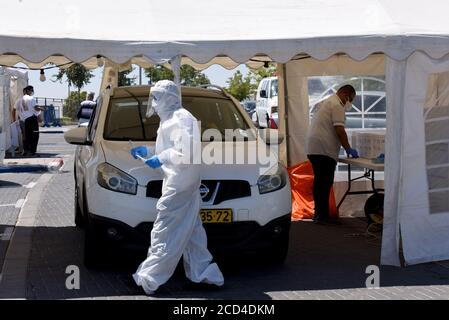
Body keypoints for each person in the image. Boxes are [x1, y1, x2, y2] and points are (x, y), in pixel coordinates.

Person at [130, 80, 224, 295]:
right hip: (182, 184)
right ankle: (204, 275)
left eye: (156, 96)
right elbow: (173, 147)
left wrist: (159, 158)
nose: (153, 102)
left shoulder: (181, 118)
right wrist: (149, 150)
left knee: (164, 230)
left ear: (169, 97)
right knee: (192, 233)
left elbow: (186, 152)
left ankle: (149, 279)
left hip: (179, 186)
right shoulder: (170, 119)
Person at [306, 85, 359, 225]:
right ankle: (322, 217)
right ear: (345, 94)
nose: (350, 103)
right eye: (351, 99)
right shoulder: (337, 105)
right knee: (324, 183)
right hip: (324, 150)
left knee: (319, 183)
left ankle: (319, 214)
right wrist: (348, 148)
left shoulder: (327, 102)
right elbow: (340, 130)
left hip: (314, 148)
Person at [13, 85, 42, 157]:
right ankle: (32, 152)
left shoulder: (19, 100)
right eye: (31, 90)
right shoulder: (31, 98)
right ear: (28, 91)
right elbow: (36, 108)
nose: (32, 92)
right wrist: (41, 109)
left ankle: (25, 151)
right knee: (34, 136)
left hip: (22, 120)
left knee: (25, 136)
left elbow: (13, 109)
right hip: (31, 119)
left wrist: (14, 119)